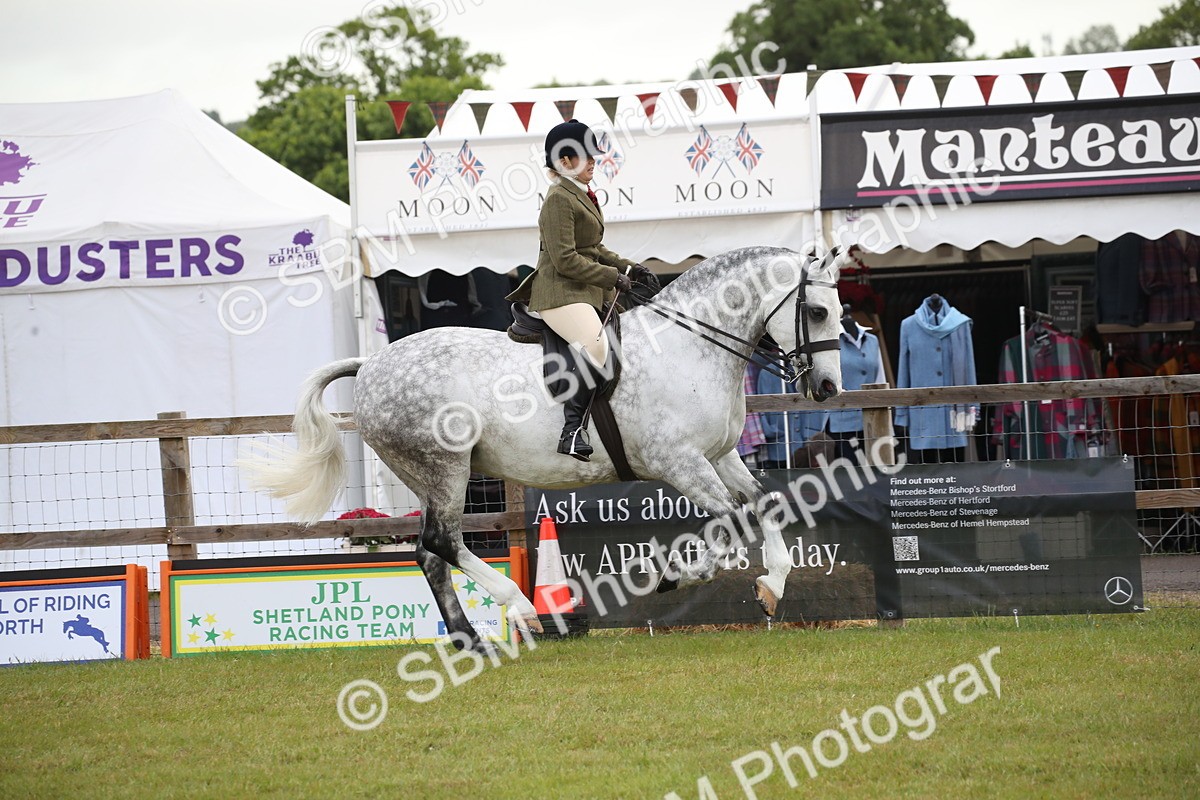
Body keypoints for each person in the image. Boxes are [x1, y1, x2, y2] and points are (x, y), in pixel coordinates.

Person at [507, 119, 654, 461]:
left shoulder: (581, 194)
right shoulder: (558, 198)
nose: (593, 162)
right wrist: (611, 278)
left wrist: (631, 268)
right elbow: (565, 260)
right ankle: (572, 430)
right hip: (560, 293)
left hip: (584, 291)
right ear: (565, 160)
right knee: (599, 347)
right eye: (587, 157)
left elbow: (595, 249)